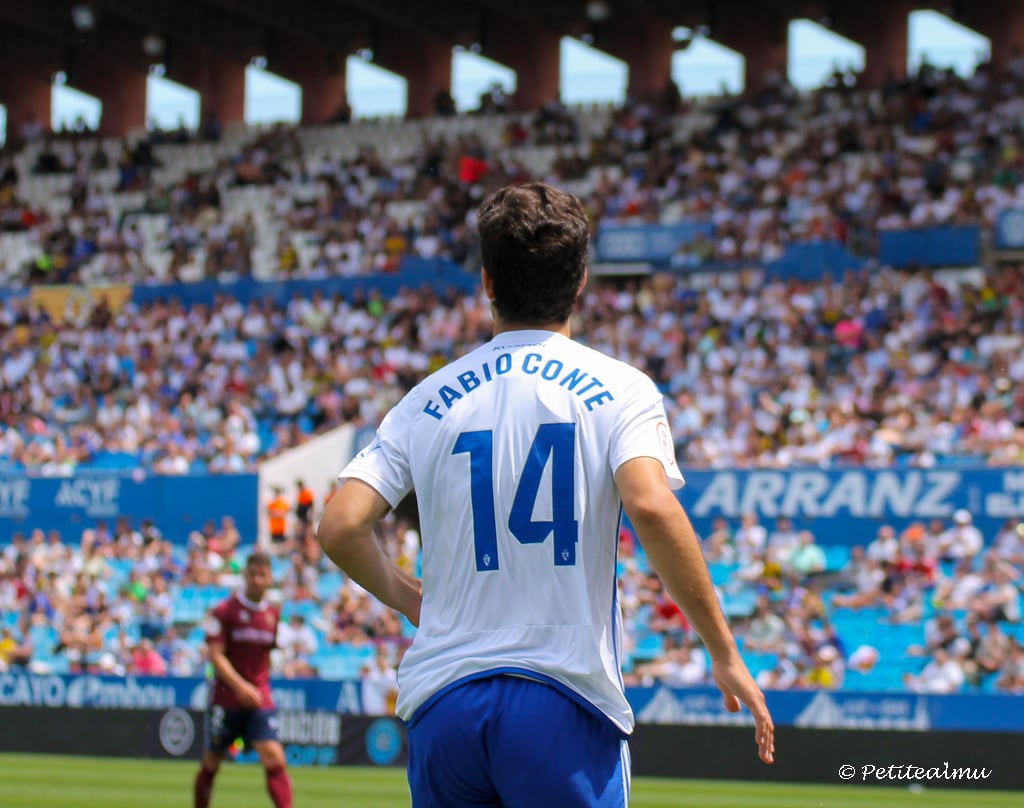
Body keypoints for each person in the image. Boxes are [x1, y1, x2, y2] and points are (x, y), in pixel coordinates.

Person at [317, 183, 773, 807]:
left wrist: (405, 598)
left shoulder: (426, 399)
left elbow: (340, 525)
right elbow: (650, 504)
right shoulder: (622, 389)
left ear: (487, 283)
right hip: (562, 696)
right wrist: (724, 652)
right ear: (581, 280)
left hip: (445, 704)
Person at [194, 552, 292, 808]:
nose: (257, 580)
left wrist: (258, 686)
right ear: (245, 576)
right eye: (253, 574)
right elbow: (215, 656)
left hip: (259, 697)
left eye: (262, 575)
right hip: (226, 698)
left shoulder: (273, 614)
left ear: (270, 579)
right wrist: (241, 687)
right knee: (211, 763)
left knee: (274, 757)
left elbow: (265, 658)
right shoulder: (224, 611)